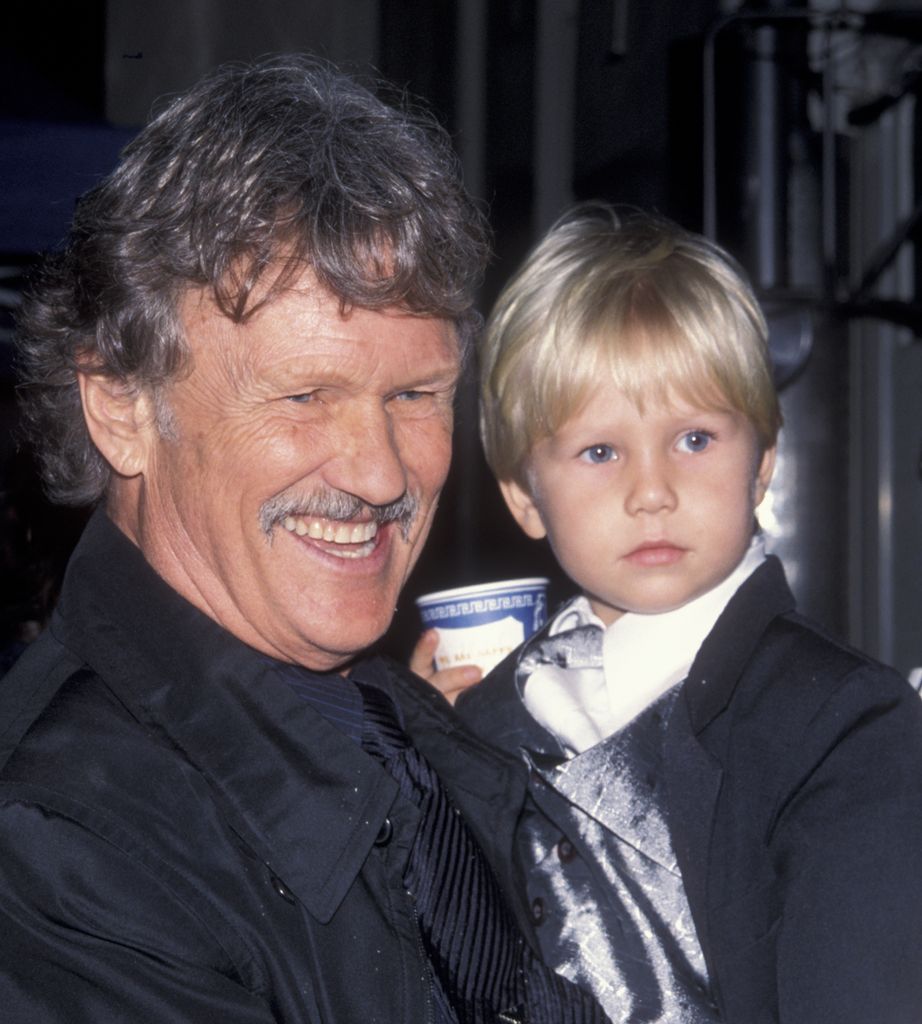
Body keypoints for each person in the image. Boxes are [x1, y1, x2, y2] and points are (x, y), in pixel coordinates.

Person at [0, 57, 610, 1024]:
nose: (378, 473)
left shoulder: (407, 718)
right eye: (303, 397)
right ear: (120, 406)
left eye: (415, 396)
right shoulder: (62, 852)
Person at [437, 205, 922, 1022]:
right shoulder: (477, 719)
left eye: (695, 439)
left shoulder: (846, 726)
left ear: (763, 464)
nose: (652, 491)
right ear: (524, 495)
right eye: (600, 451)